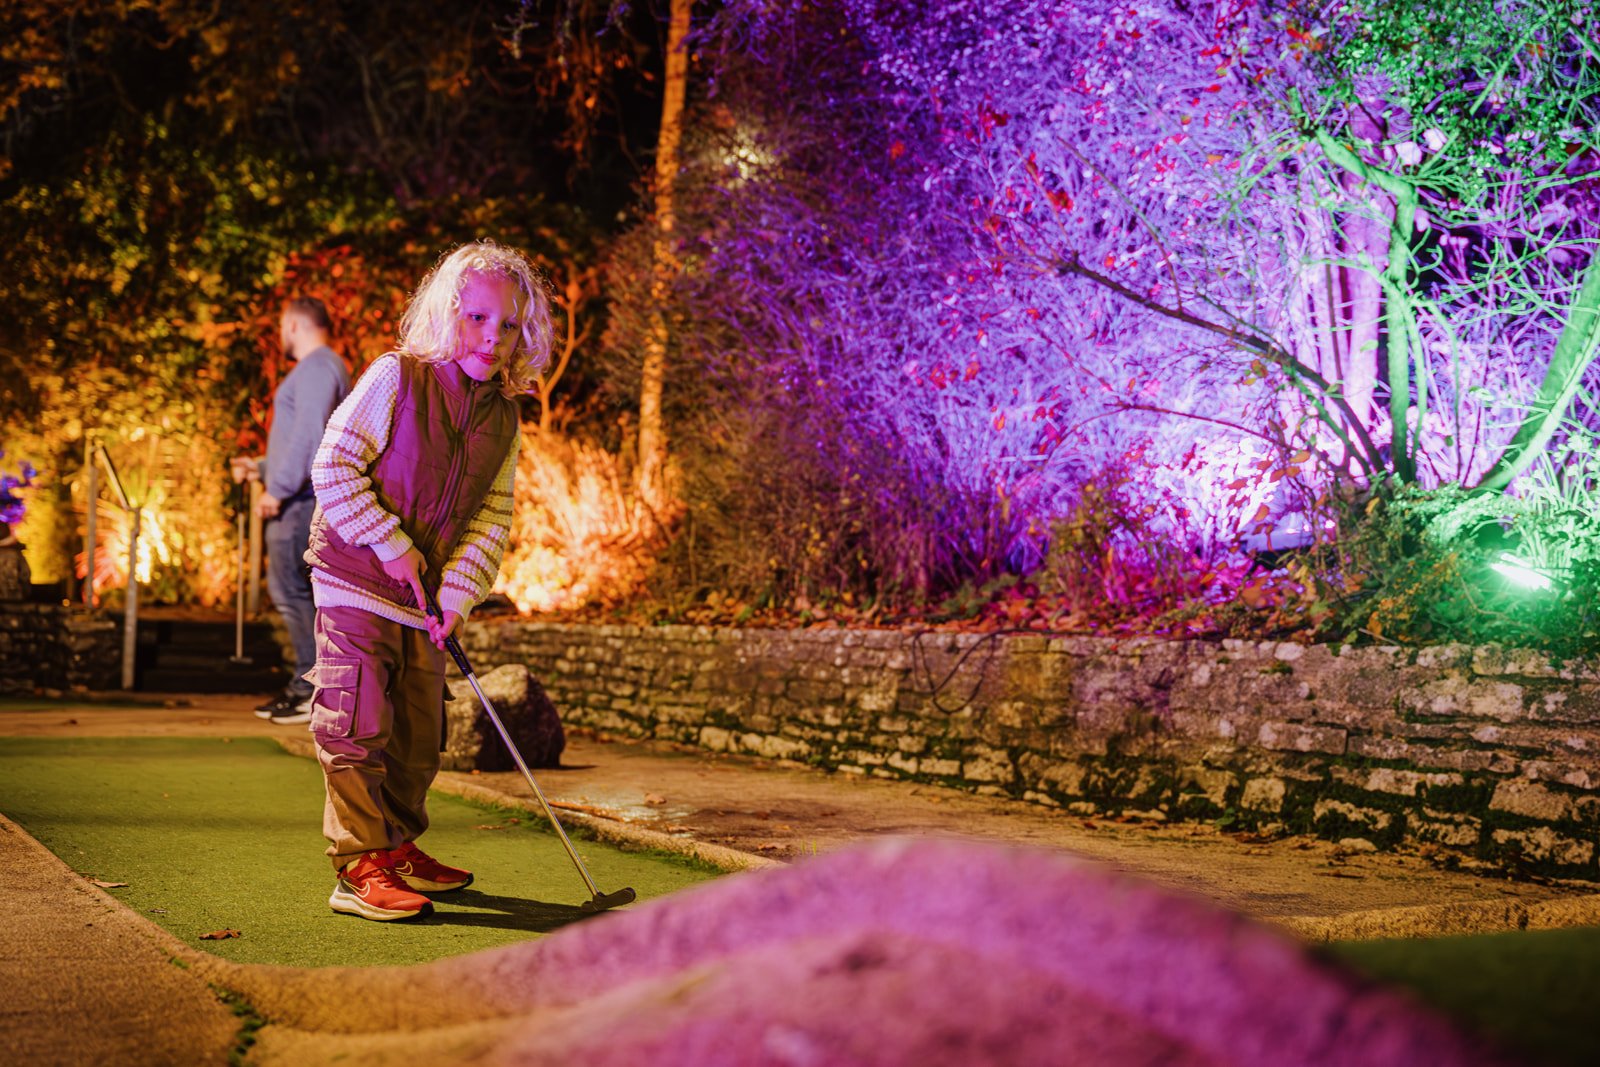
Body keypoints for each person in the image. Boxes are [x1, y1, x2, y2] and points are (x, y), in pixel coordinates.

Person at [302, 241, 553, 922]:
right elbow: (332, 468)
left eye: (507, 325)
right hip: (355, 577)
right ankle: (357, 865)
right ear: (446, 313)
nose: (491, 337)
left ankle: (398, 844)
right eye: (475, 318)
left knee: (419, 731)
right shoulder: (397, 378)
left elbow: (491, 516)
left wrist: (457, 589)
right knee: (359, 721)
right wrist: (390, 543)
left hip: (423, 599)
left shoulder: (503, 416)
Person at [233, 297, 351, 725]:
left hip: (299, 501)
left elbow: (310, 435)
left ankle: (310, 689)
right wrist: (262, 467)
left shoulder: (319, 366)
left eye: (282, 326)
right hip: (296, 495)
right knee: (294, 594)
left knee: (293, 593)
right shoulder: (320, 367)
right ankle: (308, 686)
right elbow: (304, 439)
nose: (280, 334)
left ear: (295, 324)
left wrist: (277, 489)